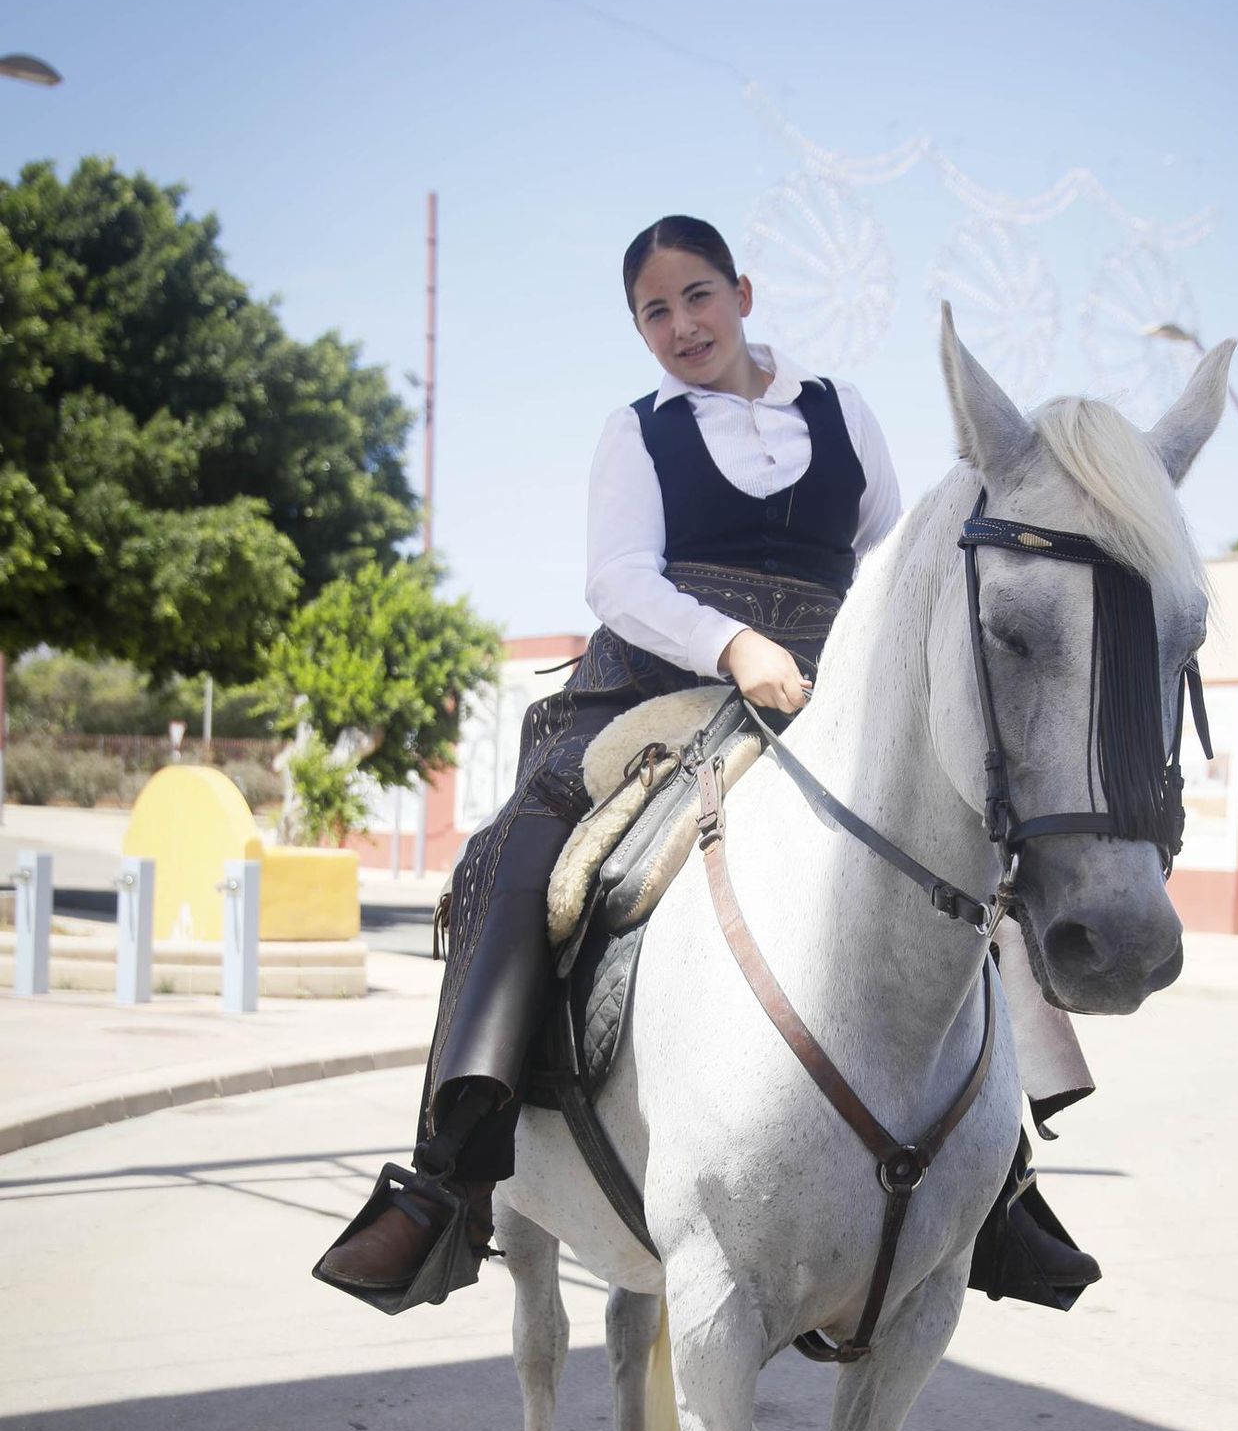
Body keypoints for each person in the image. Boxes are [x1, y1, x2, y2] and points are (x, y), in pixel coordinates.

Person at [316, 215, 1098, 1315]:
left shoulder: (840, 408)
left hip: (831, 685)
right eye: (654, 311)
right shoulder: (636, 432)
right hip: (659, 680)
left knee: (962, 828)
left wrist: (860, 671)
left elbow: (888, 556)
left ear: (740, 290)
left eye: (696, 297)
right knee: (515, 850)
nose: (681, 326)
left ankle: (999, 1181)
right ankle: (452, 1171)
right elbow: (621, 580)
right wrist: (735, 646)